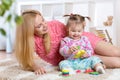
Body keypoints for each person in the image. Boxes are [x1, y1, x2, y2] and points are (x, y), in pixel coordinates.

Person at [15, 10, 120, 75]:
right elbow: (26, 60)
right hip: (72, 59)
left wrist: (79, 21)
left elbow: (73, 30)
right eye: (39, 26)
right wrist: (35, 67)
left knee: (116, 51)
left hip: (84, 41)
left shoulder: (55, 25)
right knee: (116, 62)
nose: (44, 25)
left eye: (43, 20)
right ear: (29, 31)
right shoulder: (32, 41)